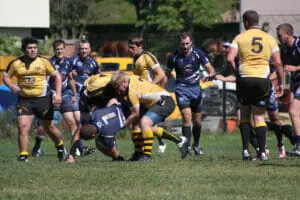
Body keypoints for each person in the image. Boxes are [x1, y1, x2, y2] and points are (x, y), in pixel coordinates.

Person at [227, 10, 284, 160]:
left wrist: (236, 74)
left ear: (246, 22)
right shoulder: (270, 39)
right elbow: (278, 63)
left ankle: (246, 150)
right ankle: (263, 153)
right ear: (257, 22)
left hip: (245, 78)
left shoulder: (239, 37)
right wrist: (280, 82)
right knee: (259, 116)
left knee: (245, 115)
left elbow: (229, 58)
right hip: (262, 79)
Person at [2, 37, 66, 162]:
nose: (33, 50)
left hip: (43, 100)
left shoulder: (44, 62)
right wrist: (11, 86)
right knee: (23, 127)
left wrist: (58, 95)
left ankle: (60, 146)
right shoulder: (15, 63)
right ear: (23, 49)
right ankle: (23, 155)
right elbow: (6, 77)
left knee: (49, 128)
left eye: (35, 48)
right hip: (24, 100)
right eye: (30, 48)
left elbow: (57, 76)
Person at [110, 71, 189, 161]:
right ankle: (138, 154)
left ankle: (147, 155)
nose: (118, 91)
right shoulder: (133, 77)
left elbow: (135, 113)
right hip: (154, 103)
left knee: (144, 122)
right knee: (137, 125)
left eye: (118, 87)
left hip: (165, 101)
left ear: (124, 82)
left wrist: (123, 125)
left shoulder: (131, 91)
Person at [166, 32, 215, 156]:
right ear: (179, 44)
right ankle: (186, 146)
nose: (185, 46)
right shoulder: (173, 57)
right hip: (181, 89)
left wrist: (209, 76)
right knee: (186, 117)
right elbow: (166, 75)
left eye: (187, 43)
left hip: (196, 90)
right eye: (183, 44)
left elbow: (211, 69)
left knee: (197, 122)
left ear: (191, 42)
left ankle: (196, 145)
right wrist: (160, 88)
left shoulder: (198, 53)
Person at [31, 39, 78, 157]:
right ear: (54, 50)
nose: (59, 51)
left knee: (72, 122)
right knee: (43, 126)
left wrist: (75, 94)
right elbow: (45, 80)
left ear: (64, 49)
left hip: (65, 96)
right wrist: (46, 95)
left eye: (61, 49)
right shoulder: (49, 62)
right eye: (57, 49)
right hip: (51, 96)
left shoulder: (69, 62)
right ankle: (36, 148)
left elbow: (71, 79)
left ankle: (75, 148)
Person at [127, 34, 168, 153]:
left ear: (140, 46)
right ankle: (152, 144)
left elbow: (161, 75)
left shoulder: (147, 56)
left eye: (132, 47)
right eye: (129, 47)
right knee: (140, 123)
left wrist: (150, 88)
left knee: (142, 123)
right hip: (141, 96)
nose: (130, 50)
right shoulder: (135, 58)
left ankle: (146, 149)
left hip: (148, 95)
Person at [67, 99, 126, 163]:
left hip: (128, 117)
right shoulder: (93, 116)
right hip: (121, 105)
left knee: (99, 145)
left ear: (93, 136)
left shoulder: (107, 135)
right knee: (112, 101)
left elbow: (115, 152)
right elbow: (78, 131)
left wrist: (116, 157)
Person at [69, 39, 100, 156]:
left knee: (85, 121)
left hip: (87, 97)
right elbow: (65, 75)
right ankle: (79, 148)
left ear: (90, 49)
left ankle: (79, 147)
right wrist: (71, 74)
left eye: (86, 48)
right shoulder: (72, 60)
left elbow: (98, 79)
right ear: (78, 49)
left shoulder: (94, 63)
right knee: (76, 121)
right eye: (81, 48)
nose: (84, 51)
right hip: (74, 95)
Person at [277, 23, 300, 156]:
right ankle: (298, 144)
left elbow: (290, 68)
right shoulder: (284, 50)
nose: (278, 37)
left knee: (293, 110)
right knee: (293, 112)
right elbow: (285, 70)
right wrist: (284, 88)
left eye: (280, 35)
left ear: (288, 34)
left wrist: (295, 68)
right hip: (295, 83)